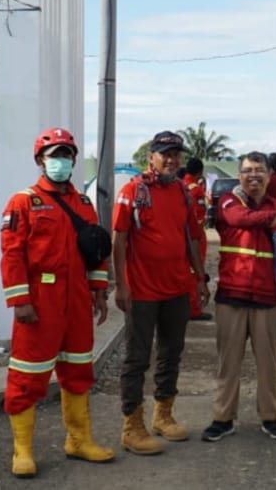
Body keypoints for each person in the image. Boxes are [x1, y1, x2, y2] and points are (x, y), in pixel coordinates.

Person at [0, 127, 114, 478]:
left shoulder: (83, 204)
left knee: (79, 370)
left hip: (77, 298)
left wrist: (98, 291)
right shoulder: (24, 201)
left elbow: (95, 251)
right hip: (40, 299)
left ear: (74, 161)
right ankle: (22, 451)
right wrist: (20, 299)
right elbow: (12, 253)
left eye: (66, 156)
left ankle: (79, 441)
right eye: (54, 156)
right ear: (40, 161)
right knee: (28, 376)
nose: (61, 162)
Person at [201, 151, 276, 443]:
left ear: (269, 175)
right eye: (248, 170)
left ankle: (270, 417)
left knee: (268, 364)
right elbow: (245, 219)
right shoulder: (229, 202)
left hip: (267, 298)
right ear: (239, 175)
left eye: (259, 170)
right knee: (229, 364)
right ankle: (222, 418)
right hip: (232, 296)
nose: (253, 175)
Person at [112, 131, 210, 455]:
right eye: (164, 153)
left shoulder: (182, 192)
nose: (171, 159)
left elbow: (192, 238)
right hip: (141, 292)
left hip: (176, 289)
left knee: (171, 354)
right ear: (151, 157)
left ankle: (163, 416)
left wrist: (199, 279)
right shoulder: (133, 192)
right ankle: (132, 427)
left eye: (175, 154)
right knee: (137, 358)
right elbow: (119, 241)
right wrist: (122, 285)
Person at [182, 157, 213, 320]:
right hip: (195, 236)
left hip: (180, 236)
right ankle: (193, 309)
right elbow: (198, 219)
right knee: (195, 269)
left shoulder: (180, 185)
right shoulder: (195, 189)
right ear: (200, 171)